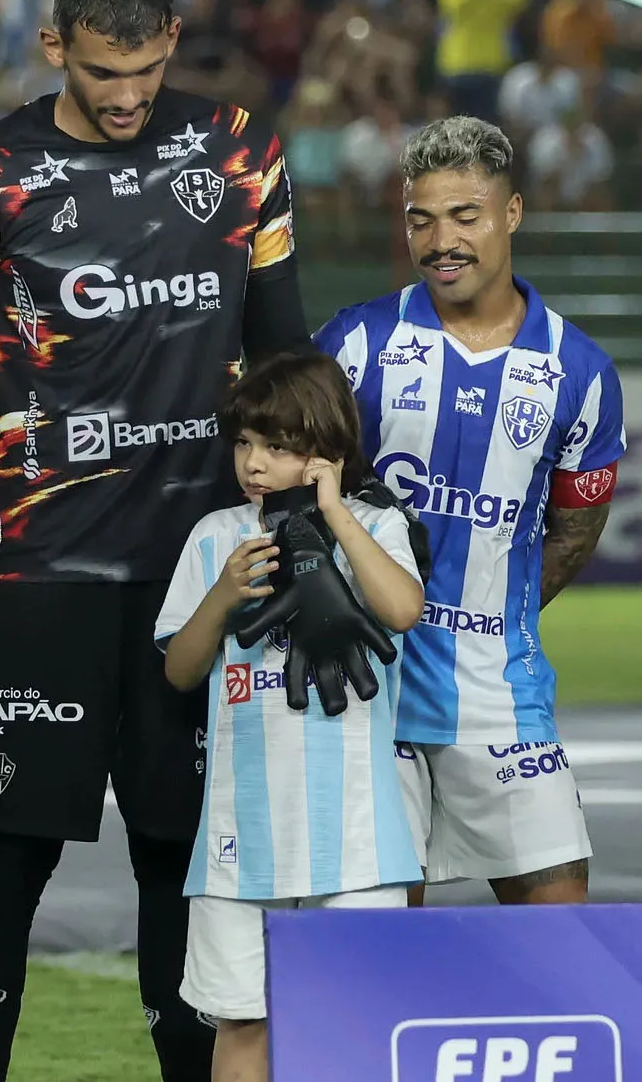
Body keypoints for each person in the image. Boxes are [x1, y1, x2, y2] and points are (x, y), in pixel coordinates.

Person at [0, 0, 311, 1079]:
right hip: (43, 578)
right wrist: (32, 484)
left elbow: (282, 356)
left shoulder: (240, 155)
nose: (125, 98)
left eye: (141, 73)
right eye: (98, 75)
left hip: (200, 576)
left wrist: (296, 525)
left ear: (172, 41)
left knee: (182, 857)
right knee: (4, 857)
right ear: (53, 48)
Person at [313, 116, 626, 906]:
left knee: (559, 936)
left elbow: (573, 534)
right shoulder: (354, 344)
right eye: (420, 219)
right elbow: (290, 496)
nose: (439, 240)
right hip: (364, 692)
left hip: (499, 693)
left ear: (510, 214)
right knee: (380, 950)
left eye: (464, 216)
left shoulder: (578, 372)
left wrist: (486, 615)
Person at [155, 352, 424, 1082]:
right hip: (241, 832)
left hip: (359, 830)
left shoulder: (372, 524)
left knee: (357, 1015)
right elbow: (179, 670)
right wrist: (221, 596)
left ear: (326, 450)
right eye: (244, 443)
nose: (253, 462)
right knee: (242, 1018)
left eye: (276, 446)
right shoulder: (217, 535)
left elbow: (402, 609)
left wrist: (335, 512)